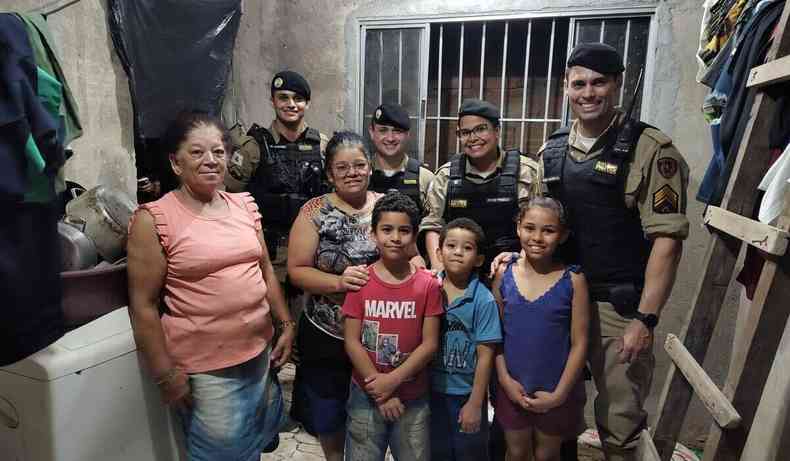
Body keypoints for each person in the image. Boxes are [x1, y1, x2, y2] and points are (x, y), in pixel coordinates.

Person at [494, 42, 689, 461]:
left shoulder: (652, 149)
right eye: (578, 83)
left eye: (599, 82)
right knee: (553, 407)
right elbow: (541, 223)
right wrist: (514, 256)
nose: (588, 92)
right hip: (557, 298)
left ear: (616, 84)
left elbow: (667, 243)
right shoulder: (554, 149)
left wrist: (645, 319)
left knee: (619, 420)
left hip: (616, 306)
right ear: (566, 88)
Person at [127, 111, 295, 460]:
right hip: (207, 371)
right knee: (220, 453)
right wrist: (165, 373)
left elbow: (264, 268)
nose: (210, 161)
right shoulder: (155, 218)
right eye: (197, 152)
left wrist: (286, 324)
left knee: (252, 444)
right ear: (175, 163)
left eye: (218, 152)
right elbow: (143, 305)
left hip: (258, 355)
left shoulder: (244, 205)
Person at [286, 131, 381, 461]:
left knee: (374, 407)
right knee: (328, 410)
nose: (352, 172)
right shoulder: (314, 211)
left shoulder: (387, 206)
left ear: (370, 167)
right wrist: (339, 282)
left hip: (376, 332)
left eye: (359, 165)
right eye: (342, 167)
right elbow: (296, 271)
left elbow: (410, 256)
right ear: (329, 173)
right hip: (326, 332)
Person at [343, 192, 443, 461]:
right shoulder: (360, 280)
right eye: (387, 229)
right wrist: (381, 392)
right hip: (366, 393)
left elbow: (430, 343)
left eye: (404, 230)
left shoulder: (428, 285)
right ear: (373, 233)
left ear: (414, 235)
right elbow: (352, 341)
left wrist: (392, 382)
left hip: (413, 396)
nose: (395, 238)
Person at [492, 198, 589, 461]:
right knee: (516, 451)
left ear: (563, 235)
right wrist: (505, 381)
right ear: (518, 228)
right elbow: (494, 336)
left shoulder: (574, 280)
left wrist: (559, 395)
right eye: (529, 228)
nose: (537, 237)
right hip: (511, 386)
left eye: (548, 230)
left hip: (555, 388)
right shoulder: (503, 274)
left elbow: (580, 343)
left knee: (547, 454)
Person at [421, 99, 542, 275]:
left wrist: (522, 261)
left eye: (481, 129)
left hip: (513, 270)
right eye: (465, 132)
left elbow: (539, 225)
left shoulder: (527, 172)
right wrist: (439, 270)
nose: (473, 138)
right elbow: (433, 226)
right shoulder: (446, 176)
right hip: (459, 274)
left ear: (497, 131)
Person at [229, 70, 329, 274]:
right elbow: (230, 201)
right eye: (283, 97)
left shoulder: (323, 146)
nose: (291, 104)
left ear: (307, 104)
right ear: (272, 101)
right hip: (268, 255)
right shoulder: (253, 146)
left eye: (298, 99)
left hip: (315, 251)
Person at [430, 218, 503, 461]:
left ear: (480, 259)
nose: (458, 253)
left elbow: (485, 357)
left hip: (466, 395)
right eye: (451, 246)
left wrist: (475, 403)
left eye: (467, 248)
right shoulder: (428, 288)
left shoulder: (483, 300)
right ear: (439, 252)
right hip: (429, 392)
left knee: (469, 454)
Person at [368, 103, 435, 217]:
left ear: (408, 134)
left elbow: (433, 224)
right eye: (383, 130)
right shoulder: (361, 174)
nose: (390, 138)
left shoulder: (424, 178)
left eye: (397, 131)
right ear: (372, 132)